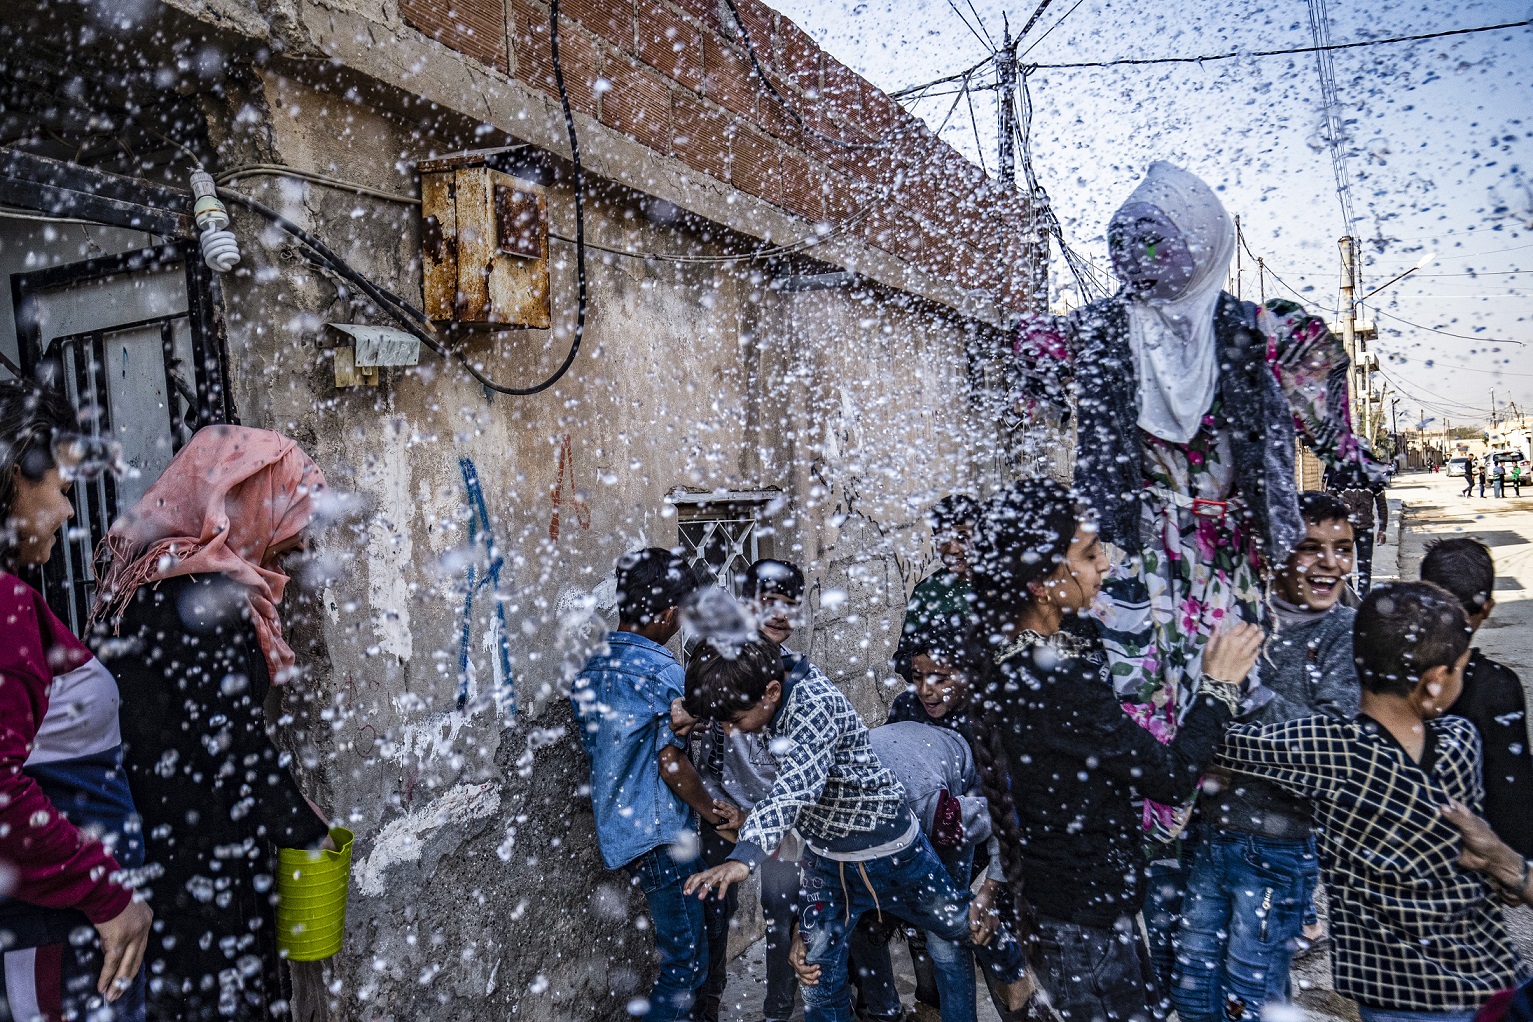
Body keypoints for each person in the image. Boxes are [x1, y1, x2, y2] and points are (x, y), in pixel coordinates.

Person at [1012, 161, 1375, 849]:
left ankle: (1224, 824)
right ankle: (1159, 824)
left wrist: (1347, 450)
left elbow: (1324, 400)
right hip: (1131, 545)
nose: (1137, 260)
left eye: (1157, 241)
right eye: (1126, 243)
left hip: (1223, 551)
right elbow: (1033, 369)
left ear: (1204, 240)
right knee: (1136, 678)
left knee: (1228, 675)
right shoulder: (1099, 330)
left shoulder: (1255, 329)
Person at [960, 478, 1261, 1021]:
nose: (1105, 567)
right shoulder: (1051, 682)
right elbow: (1168, 777)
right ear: (1041, 580)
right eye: (1090, 554)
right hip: (1081, 921)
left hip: (1073, 906)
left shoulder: (1031, 653)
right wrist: (1218, 685)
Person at [90, 426, 335, 1021]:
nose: (294, 547)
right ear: (245, 503)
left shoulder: (142, 585)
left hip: (153, 840)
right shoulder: (208, 597)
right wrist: (305, 831)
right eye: (286, 520)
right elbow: (231, 743)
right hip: (207, 856)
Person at [1216, 582, 1527, 1021]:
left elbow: (1226, 746)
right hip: (1491, 978)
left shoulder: (1329, 749)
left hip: (1397, 994)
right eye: (1460, 669)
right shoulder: (1462, 742)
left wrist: (1219, 685)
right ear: (1435, 682)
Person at [680, 638, 1033, 1022]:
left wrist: (744, 858)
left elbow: (794, 789)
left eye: (736, 720)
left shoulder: (816, 708)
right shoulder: (766, 689)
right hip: (829, 861)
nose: (732, 732)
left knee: (954, 926)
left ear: (772, 691)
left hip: (895, 848)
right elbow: (805, 812)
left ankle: (1013, 968)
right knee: (816, 972)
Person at [1173, 491, 1360, 1021]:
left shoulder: (1345, 632)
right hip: (1209, 836)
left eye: (1342, 549)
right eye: (1309, 548)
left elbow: (1327, 744)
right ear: (1273, 551)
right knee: (1192, 994)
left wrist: (1238, 704)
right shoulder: (1233, 614)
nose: (1330, 563)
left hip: (1277, 848)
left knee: (1249, 1003)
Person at [0, 381, 152, 1021]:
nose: (67, 514)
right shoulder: (4, 609)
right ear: (12, 476)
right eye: (61, 490)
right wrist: (106, 891)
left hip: (69, 922)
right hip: (57, 926)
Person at [570, 547, 718, 1022]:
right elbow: (670, 763)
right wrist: (714, 811)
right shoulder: (662, 672)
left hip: (623, 832)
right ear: (669, 612)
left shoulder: (591, 669)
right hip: (662, 836)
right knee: (685, 965)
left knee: (679, 953)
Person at [691, 558, 815, 1022]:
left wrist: (760, 820)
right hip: (724, 810)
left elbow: (800, 767)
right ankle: (709, 1005)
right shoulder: (717, 658)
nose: (780, 615)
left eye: (789, 605)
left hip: (781, 816)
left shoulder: (798, 678)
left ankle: (778, 1011)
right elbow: (699, 731)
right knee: (713, 914)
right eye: (768, 603)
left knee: (783, 916)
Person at [849, 721, 1006, 1022]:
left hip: (939, 782)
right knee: (861, 928)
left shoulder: (941, 815)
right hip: (892, 771)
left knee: (946, 936)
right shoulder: (837, 844)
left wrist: (989, 891)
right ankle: (885, 1013)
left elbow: (1003, 817)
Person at [1421, 538, 1533, 857]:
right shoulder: (1497, 686)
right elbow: (1510, 784)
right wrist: (1516, 861)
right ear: (1487, 608)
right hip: (1467, 863)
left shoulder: (1391, 666)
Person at [894, 494, 979, 683]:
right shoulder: (927, 592)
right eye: (943, 540)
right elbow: (902, 658)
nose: (952, 549)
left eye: (963, 538)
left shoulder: (1002, 585)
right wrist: (935, 669)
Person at [1327, 466, 1388, 594]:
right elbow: (1327, 501)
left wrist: (1382, 529)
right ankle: (1351, 598)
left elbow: (1381, 505)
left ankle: (1362, 600)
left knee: (1365, 567)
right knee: (1343, 566)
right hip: (1344, 531)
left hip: (1366, 529)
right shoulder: (1340, 478)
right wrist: (1340, 506)